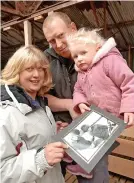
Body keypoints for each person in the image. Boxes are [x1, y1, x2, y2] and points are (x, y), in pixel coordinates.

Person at [42, 12, 112, 183]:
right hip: (59, 133)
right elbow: (41, 97)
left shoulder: (97, 52)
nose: (57, 44)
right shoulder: (45, 60)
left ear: (73, 28)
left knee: (95, 179)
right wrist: (68, 104)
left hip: (93, 134)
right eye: (52, 40)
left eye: (61, 35)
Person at [65, 28, 134, 182]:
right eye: (75, 56)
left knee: (92, 133)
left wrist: (130, 108)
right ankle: (79, 161)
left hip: (114, 114)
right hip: (98, 114)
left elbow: (130, 83)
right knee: (78, 123)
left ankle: (75, 156)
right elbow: (78, 90)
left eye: (83, 53)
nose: (79, 59)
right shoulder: (82, 73)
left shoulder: (110, 61)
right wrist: (80, 102)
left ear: (97, 48)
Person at [0, 45, 68, 183]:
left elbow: (33, 139)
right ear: (16, 72)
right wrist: (40, 160)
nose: (37, 75)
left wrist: (54, 131)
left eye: (41, 69)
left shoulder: (41, 104)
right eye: (29, 69)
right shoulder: (6, 114)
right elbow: (2, 171)